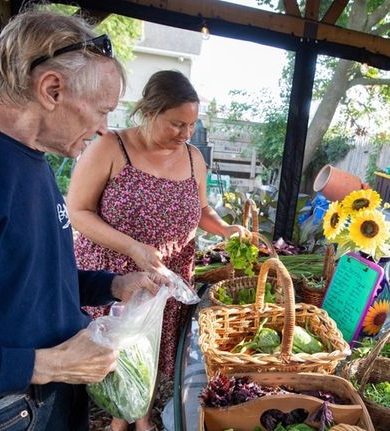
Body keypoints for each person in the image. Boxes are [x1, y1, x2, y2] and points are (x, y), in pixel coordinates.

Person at [0, 10, 164, 430]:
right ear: (52, 89)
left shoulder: (36, 157)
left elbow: (21, 275)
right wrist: (42, 365)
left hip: (58, 396)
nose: (103, 129)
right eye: (101, 110)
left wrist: (110, 284)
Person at [66, 69, 250, 430]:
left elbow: (200, 209)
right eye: (176, 124)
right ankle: (117, 421)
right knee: (115, 354)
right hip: (114, 273)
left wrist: (226, 228)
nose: (185, 134)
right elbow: (78, 211)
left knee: (147, 352)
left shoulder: (194, 157)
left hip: (167, 276)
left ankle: (141, 417)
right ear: (149, 111)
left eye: (192, 125)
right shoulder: (110, 147)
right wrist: (132, 247)